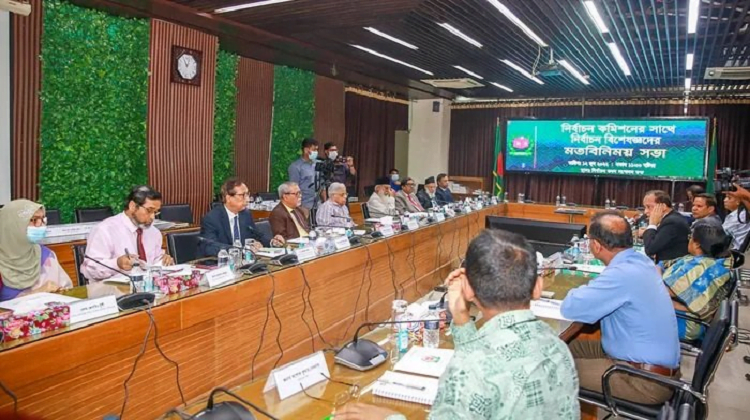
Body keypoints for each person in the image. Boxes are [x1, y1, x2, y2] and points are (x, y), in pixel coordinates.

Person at [336, 229, 579, 420]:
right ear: (538, 287)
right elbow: (487, 360)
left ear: (469, 289)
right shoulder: (556, 345)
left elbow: (480, 367)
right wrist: (460, 317)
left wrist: (388, 418)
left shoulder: (470, 368)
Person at [561, 212, 680, 405]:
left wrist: (583, 288)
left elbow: (571, 307)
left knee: (550, 367)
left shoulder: (622, 274)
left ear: (596, 245)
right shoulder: (641, 261)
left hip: (643, 381)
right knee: (556, 346)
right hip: (639, 361)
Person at [81, 186, 174, 281]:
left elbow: (153, 262)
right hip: (111, 288)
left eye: (156, 212)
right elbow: (89, 270)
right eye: (149, 211)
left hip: (146, 286)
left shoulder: (154, 232)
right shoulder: (105, 230)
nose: (152, 217)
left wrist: (163, 261)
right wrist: (117, 264)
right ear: (132, 206)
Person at [660, 224, 734, 341]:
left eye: (690, 237)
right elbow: (663, 265)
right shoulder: (707, 260)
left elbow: (661, 290)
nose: (688, 240)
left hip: (684, 323)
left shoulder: (703, 269)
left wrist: (655, 275)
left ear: (697, 244)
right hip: (678, 312)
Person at [0, 200, 72, 301]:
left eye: (42, 219)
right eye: (34, 220)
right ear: (12, 225)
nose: (41, 225)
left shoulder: (45, 255)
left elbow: (67, 291)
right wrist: (37, 293)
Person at [198, 178, 284, 257]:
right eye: (242, 195)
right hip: (222, 263)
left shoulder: (245, 214)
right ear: (228, 198)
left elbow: (257, 235)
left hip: (245, 260)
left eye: (247, 194)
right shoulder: (212, 218)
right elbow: (210, 246)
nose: (248, 199)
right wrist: (242, 250)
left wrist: (272, 242)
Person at [639, 190, 690, 262]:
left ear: (663, 206)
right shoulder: (670, 218)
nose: (645, 211)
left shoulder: (672, 222)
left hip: (671, 266)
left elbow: (650, 249)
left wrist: (652, 225)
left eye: (649, 207)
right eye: (645, 207)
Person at [288, 138, 319, 209]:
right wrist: (298, 207)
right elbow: (294, 188)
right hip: (304, 205)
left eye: (317, 150)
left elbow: (322, 185)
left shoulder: (318, 164)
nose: (316, 152)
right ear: (306, 150)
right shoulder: (295, 167)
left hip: (318, 204)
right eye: (314, 150)